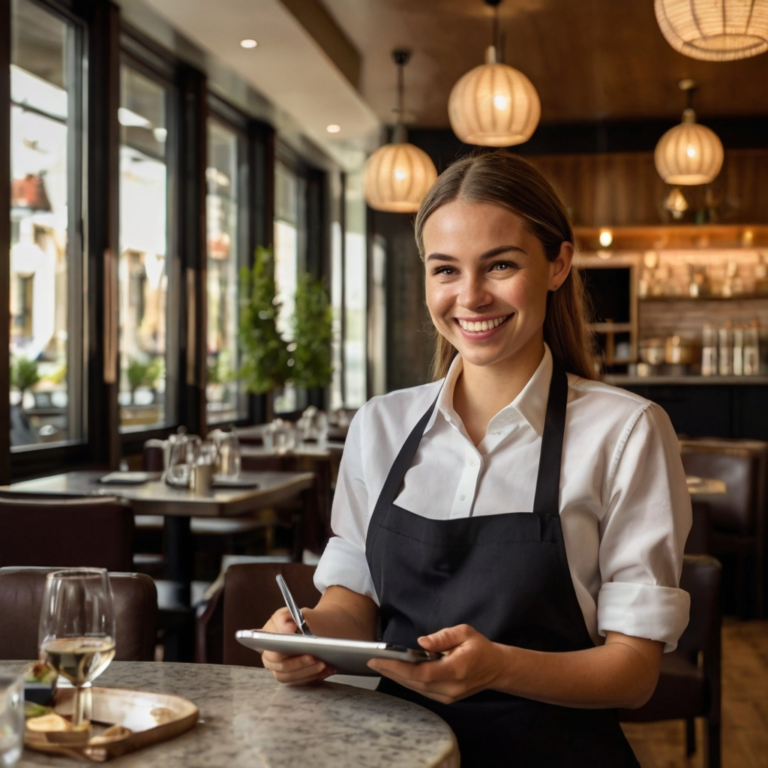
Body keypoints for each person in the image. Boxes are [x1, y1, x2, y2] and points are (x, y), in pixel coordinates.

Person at [262, 151, 691, 767]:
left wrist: (500, 668)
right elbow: (353, 603)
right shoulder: (380, 426)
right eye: (445, 270)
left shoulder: (627, 432)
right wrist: (308, 639)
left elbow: (633, 672)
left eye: (500, 265)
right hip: (394, 754)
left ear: (557, 263)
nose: (470, 296)